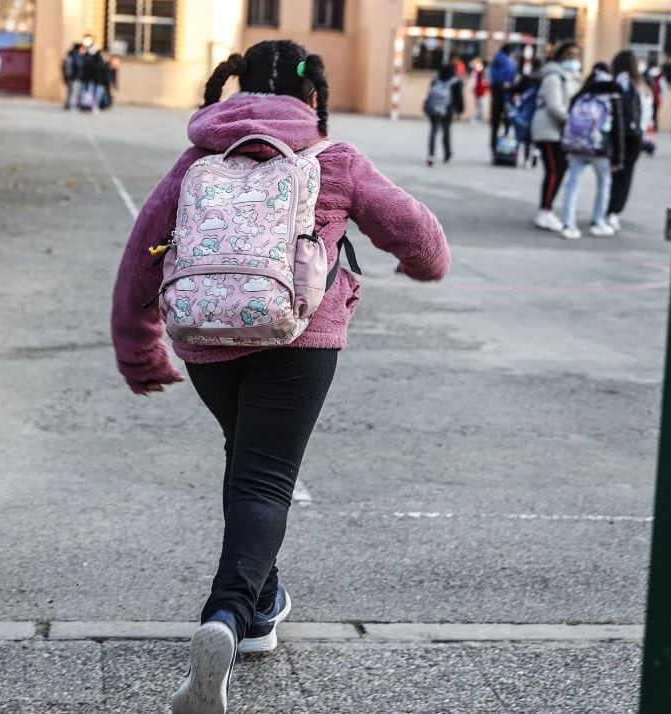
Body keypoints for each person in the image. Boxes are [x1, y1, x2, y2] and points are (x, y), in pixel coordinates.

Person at [109, 39, 450, 714]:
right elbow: (418, 234)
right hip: (299, 337)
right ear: (314, 97)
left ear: (231, 89)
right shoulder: (335, 159)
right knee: (266, 477)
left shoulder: (197, 160)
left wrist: (140, 352)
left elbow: (139, 263)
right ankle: (226, 616)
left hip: (204, 338)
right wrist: (419, 266)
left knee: (250, 465)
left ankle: (261, 609)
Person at [560, 63, 626, 239]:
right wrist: (618, 156)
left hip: (576, 146)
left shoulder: (582, 93)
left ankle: (568, 223)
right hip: (601, 149)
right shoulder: (612, 95)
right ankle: (598, 221)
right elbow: (618, 128)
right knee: (604, 183)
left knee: (573, 183)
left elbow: (568, 120)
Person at [531, 41, 582, 232]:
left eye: (575, 55)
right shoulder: (553, 76)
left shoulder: (569, 77)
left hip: (557, 130)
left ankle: (547, 209)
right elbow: (554, 106)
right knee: (555, 169)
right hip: (548, 130)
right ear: (560, 56)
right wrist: (571, 122)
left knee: (558, 169)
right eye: (568, 55)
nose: (572, 59)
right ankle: (544, 211)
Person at [607, 50, 649, 231]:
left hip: (621, 134)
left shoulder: (621, 82)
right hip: (636, 135)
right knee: (625, 175)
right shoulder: (641, 85)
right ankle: (614, 211)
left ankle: (610, 210)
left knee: (615, 174)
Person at [424, 63, 464, 166]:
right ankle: (447, 153)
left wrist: (426, 106)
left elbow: (429, 94)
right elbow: (459, 98)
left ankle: (431, 155)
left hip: (434, 109)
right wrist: (460, 110)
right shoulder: (455, 81)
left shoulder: (435, 80)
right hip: (447, 110)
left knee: (433, 131)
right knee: (446, 131)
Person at [509, 57, 543, 168]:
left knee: (525, 137)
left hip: (527, 111)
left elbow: (517, 90)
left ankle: (525, 158)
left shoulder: (528, 78)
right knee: (535, 137)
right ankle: (534, 158)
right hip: (539, 111)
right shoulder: (544, 78)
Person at [488, 44, 518, 155]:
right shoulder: (509, 64)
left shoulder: (495, 61)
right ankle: (505, 146)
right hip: (506, 97)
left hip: (496, 95)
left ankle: (493, 145)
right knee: (508, 122)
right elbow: (512, 80)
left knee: (495, 123)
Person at [62, 43, 83, 110]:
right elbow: (78, 66)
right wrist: (78, 75)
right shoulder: (75, 56)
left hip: (70, 76)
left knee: (70, 91)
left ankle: (68, 104)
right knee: (74, 92)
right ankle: (72, 106)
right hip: (74, 77)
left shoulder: (70, 54)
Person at [470, 58, 489, 123]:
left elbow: (484, 82)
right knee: (480, 105)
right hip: (479, 90)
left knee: (481, 105)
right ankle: (478, 118)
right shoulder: (479, 73)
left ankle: (478, 118)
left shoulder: (481, 73)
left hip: (480, 90)